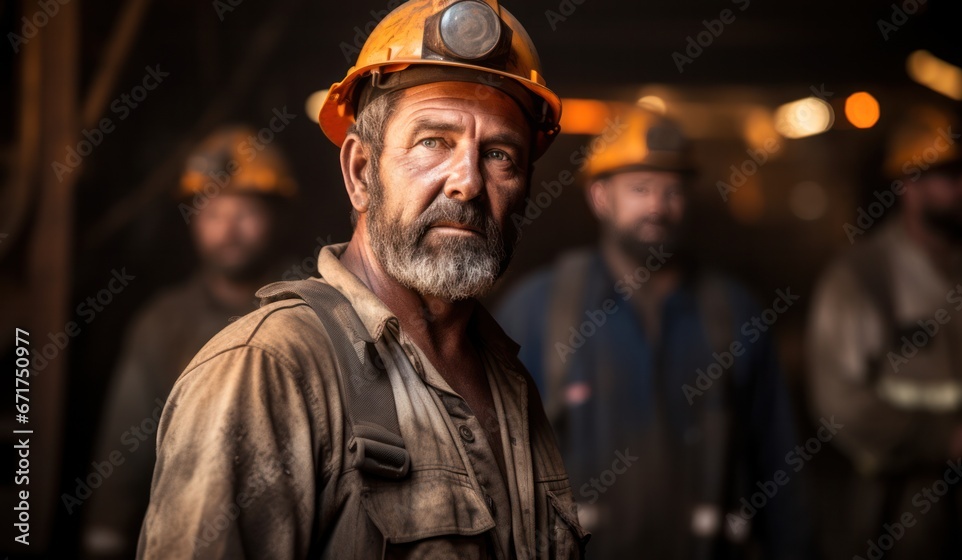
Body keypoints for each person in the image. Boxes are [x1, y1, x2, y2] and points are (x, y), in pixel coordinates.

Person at [137, 1, 589, 558]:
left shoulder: (510, 383)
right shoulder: (267, 371)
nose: (467, 182)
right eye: (433, 142)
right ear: (359, 173)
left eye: (499, 154)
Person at [496, 105, 809, 559]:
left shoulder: (734, 312)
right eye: (640, 189)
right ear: (601, 198)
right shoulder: (539, 307)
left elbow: (778, 462)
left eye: (672, 191)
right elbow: (495, 461)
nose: (658, 207)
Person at [81, 125, 297, 559]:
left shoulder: (311, 307)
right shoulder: (162, 324)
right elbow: (125, 446)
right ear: (193, 221)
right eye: (214, 214)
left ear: (276, 217)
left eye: (246, 213)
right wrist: (105, 533)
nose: (229, 230)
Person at [807, 107, 962, 559]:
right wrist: (942, 437)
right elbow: (837, 402)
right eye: (951, 176)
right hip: (903, 513)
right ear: (908, 185)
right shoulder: (863, 278)